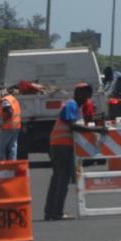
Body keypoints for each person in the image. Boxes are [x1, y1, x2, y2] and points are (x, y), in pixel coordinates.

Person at [44, 83, 107, 221]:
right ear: (79, 93)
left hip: (62, 146)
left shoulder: (75, 107)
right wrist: (96, 130)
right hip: (61, 146)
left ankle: (51, 211)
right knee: (61, 180)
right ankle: (56, 212)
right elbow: (73, 126)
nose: (88, 98)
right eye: (86, 94)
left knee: (57, 179)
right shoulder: (70, 105)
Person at [0, 86, 22, 160]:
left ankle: (2, 165)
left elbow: (8, 112)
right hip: (16, 126)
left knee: (2, 148)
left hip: (8, 127)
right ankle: (12, 164)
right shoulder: (13, 99)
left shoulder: (5, 100)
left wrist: (3, 122)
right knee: (13, 146)